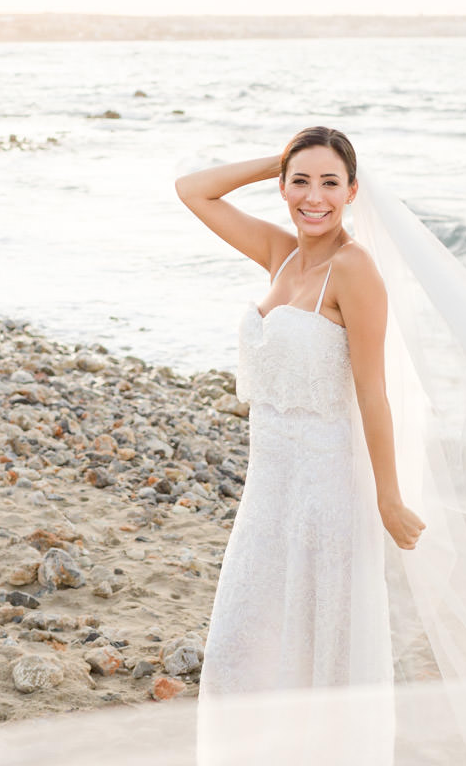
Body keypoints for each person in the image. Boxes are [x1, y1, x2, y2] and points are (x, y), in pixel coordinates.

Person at [173, 126, 425, 700]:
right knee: (245, 639)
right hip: (268, 486)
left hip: (327, 485)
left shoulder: (355, 270)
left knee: (320, 651)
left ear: (353, 192)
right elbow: (193, 190)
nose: (315, 197)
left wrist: (389, 497)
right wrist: (278, 161)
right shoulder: (279, 253)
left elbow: (372, 391)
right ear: (282, 186)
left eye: (331, 184)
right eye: (301, 182)